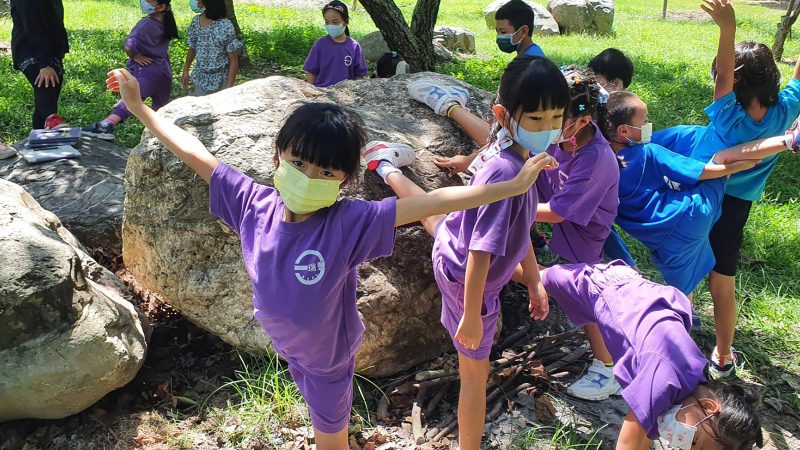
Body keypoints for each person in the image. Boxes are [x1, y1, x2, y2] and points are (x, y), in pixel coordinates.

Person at [106, 63, 556, 449]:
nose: (308, 177)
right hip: (291, 350)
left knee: (330, 437)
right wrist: (141, 107)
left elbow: (433, 204)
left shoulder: (347, 223)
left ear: (342, 181)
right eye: (298, 163)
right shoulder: (252, 203)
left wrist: (511, 188)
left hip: (327, 361)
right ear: (278, 156)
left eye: (325, 171)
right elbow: (193, 151)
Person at [363, 56, 564, 450]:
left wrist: (535, 280)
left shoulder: (513, 153)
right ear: (503, 115)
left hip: (454, 238)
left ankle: (383, 164)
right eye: (537, 119)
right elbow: (480, 254)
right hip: (467, 278)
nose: (548, 128)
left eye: (556, 117)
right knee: (475, 378)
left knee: (431, 215)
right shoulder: (510, 172)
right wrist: (472, 315)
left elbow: (519, 226)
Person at [672, 0, 800, 379]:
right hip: (737, 208)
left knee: (686, 273)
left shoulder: (728, 111)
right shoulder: (785, 112)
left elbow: (723, 77)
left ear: (736, 83)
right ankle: (723, 357)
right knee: (723, 281)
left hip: (703, 197)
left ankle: (676, 348)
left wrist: (727, 29)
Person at [540, 260, 763, 450]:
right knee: (529, 276)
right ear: (709, 407)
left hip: (635, 295)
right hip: (604, 286)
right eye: (694, 442)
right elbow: (629, 444)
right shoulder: (661, 383)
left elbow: (647, 430)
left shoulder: (694, 381)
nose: (684, 445)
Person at [598, 90, 798, 299]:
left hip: (662, 240)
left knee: (682, 292)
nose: (649, 123)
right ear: (624, 131)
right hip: (692, 213)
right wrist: (733, 168)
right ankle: (789, 141)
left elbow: (605, 225)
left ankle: (686, 324)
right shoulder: (649, 153)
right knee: (721, 155)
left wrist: (629, 263)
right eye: (645, 120)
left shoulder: (599, 170)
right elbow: (700, 171)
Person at [82, 0, 178, 141]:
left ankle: (106, 125)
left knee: (130, 99)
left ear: (161, 7)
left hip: (147, 71)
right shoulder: (167, 22)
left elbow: (129, 45)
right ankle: (163, 139)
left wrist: (135, 56)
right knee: (161, 111)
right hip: (164, 72)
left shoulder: (146, 23)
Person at [10, 0, 70, 130]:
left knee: (48, 97)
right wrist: (45, 64)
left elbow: (54, 18)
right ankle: (51, 127)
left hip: (49, 52)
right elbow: (33, 26)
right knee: (47, 91)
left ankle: (39, 142)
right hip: (31, 51)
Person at [181, 0, 242, 96]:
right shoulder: (196, 22)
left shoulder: (225, 26)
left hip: (221, 81)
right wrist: (186, 70)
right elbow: (192, 48)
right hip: (200, 79)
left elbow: (233, 60)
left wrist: (229, 88)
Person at [303, 0, 368, 88]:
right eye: (327, 22)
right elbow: (312, 73)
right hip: (321, 93)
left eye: (335, 22)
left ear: (346, 22)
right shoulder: (320, 44)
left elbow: (359, 75)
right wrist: (309, 93)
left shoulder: (354, 46)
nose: (330, 25)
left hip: (346, 94)